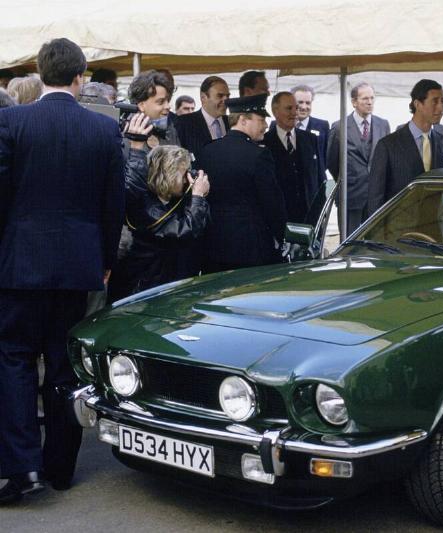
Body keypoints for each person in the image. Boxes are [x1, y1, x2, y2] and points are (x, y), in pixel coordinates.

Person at [0, 38, 124, 502]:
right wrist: (106, 260)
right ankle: (60, 468)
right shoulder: (104, 129)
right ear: (80, 77)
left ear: (40, 72)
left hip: (20, 262)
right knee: (63, 365)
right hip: (78, 263)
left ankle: (22, 466)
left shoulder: (12, 122)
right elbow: (114, 205)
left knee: (14, 360)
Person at [107, 142, 210, 301]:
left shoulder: (174, 198)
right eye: (183, 173)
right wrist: (197, 197)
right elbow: (184, 232)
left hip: (168, 284)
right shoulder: (144, 205)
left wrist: (195, 195)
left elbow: (201, 226)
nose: (186, 179)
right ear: (168, 174)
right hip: (142, 289)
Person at [198, 94, 287, 273]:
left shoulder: (208, 150)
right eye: (261, 120)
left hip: (213, 245)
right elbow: (272, 203)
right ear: (243, 120)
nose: (265, 125)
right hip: (251, 247)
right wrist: (281, 236)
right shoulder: (259, 155)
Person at [368, 79, 443, 215]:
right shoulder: (388, 145)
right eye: (435, 101)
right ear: (417, 104)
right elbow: (375, 196)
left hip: (434, 223)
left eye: (442, 101)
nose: (440, 107)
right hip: (398, 224)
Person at [327, 82, 390, 235]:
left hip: (376, 197)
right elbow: (332, 162)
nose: (370, 102)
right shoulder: (339, 127)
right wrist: (348, 180)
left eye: (372, 98)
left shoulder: (383, 125)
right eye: (365, 99)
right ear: (354, 102)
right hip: (350, 197)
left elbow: (387, 158)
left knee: (374, 240)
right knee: (349, 241)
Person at [264, 91, 322, 224]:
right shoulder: (264, 142)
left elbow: (319, 177)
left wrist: (320, 210)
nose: (295, 113)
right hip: (279, 218)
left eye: (296, 108)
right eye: (289, 108)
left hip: (309, 218)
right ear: (275, 111)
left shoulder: (310, 139)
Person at [174, 75, 230, 160]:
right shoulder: (183, 124)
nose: (226, 101)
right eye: (220, 96)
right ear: (203, 97)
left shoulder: (232, 123)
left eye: (228, 96)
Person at [126, 69, 180, 150]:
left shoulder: (169, 129)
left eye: (168, 100)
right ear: (141, 105)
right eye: (161, 102)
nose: (168, 106)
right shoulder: (124, 135)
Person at [291, 84, 329, 177]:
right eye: (300, 102)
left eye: (308, 103)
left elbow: (328, 155)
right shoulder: (277, 124)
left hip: (314, 180)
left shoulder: (322, 126)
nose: (304, 107)